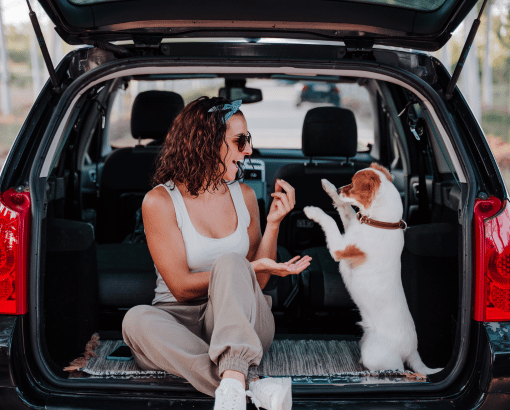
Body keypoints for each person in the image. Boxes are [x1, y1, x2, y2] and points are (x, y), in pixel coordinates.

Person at [122, 96, 311, 410]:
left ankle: (233, 374)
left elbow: (259, 282)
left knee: (231, 263)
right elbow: (180, 288)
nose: (248, 150)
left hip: (243, 321)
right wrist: (242, 269)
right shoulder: (159, 201)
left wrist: (274, 223)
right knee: (134, 320)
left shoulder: (246, 195)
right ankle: (245, 385)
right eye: (240, 141)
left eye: (248, 140)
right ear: (205, 144)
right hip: (179, 323)